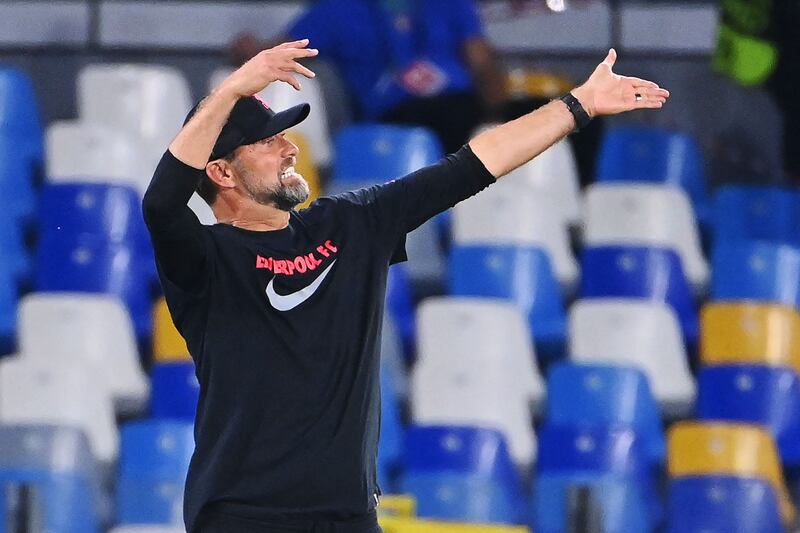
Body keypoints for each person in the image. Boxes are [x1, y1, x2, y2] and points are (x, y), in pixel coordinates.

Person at [142, 38, 668, 533]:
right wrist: (232, 89)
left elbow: (473, 165)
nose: (289, 148)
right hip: (241, 517)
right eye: (267, 141)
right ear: (222, 172)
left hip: (347, 516)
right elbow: (161, 202)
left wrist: (577, 105)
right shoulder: (205, 258)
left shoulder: (350, 224)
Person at [230, 0, 507, 153]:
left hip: (463, 108)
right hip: (395, 117)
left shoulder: (450, 4)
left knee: (527, 113)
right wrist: (249, 51)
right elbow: (280, 52)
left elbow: (482, 60)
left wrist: (498, 115)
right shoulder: (338, 10)